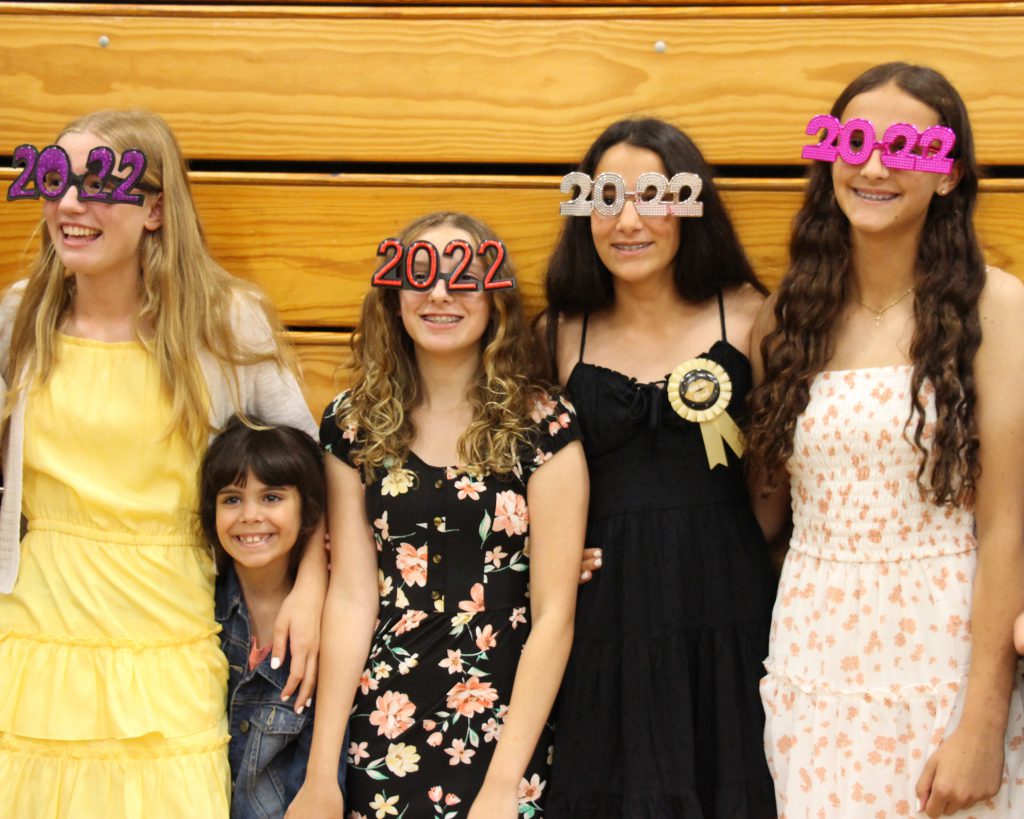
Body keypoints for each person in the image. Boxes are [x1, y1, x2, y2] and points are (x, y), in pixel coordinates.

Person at [0, 110, 326, 817]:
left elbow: (313, 467)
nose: (69, 204)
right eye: (54, 180)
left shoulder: (224, 320)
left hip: (171, 628)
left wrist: (312, 585)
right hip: (34, 634)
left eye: (97, 184)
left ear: (154, 207)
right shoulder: (20, 316)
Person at [749, 62, 1024, 818]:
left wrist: (983, 717)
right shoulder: (785, 319)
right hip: (815, 653)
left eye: (905, 146)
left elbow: (1007, 528)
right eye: (856, 140)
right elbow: (764, 511)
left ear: (947, 175)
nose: (874, 164)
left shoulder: (996, 308)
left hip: (943, 651)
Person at [286, 212, 588, 819]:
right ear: (392, 296)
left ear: (496, 297)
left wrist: (504, 784)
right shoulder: (353, 421)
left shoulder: (545, 423)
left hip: (508, 714)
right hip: (385, 710)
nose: (441, 292)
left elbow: (555, 615)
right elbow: (350, 596)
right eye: (419, 274)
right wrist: (322, 776)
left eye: (465, 276)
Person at [542, 118, 778, 817]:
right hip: (601, 615)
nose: (629, 219)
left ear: (692, 204)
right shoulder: (554, 332)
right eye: (606, 197)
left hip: (726, 604)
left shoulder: (751, 316)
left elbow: (773, 479)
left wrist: (732, 544)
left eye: (654, 195)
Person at [200, 417, 343, 818]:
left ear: (308, 512)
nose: (250, 515)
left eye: (272, 498)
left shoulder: (328, 627)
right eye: (232, 499)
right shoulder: (200, 616)